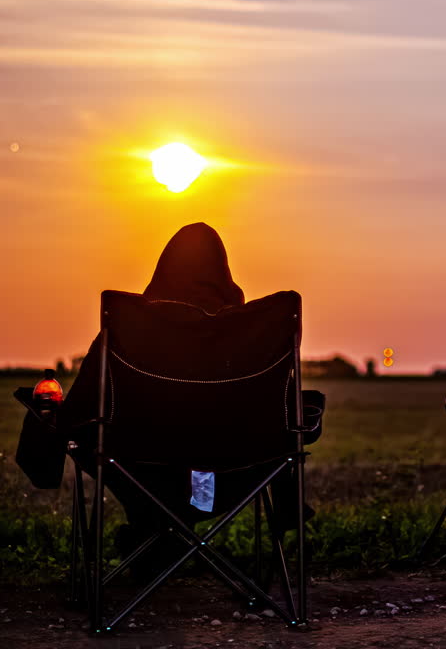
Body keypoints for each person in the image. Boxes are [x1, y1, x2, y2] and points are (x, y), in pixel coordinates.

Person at [16, 223, 315, 568]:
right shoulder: (255, 335)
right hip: (237, 470)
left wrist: (49, 418)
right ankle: (161, 539)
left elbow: (83, 408)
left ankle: (152, 535)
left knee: (87, 437)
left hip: (137, 466)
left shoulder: (129, 327)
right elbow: (284, 412)